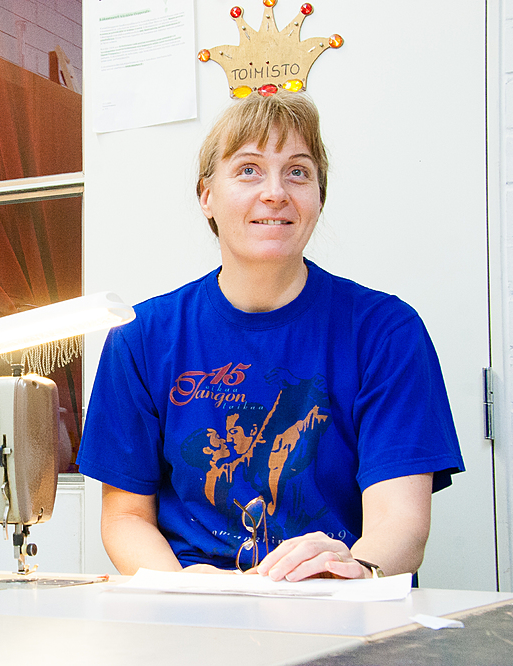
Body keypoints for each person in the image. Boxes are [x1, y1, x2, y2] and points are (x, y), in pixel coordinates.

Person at [76, 91, 464, 581]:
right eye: (248, 170)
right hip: (193, 603)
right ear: (206, 196)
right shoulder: (140, 338)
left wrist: (355, 570)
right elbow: (125, 517)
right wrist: (180, 587)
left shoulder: (387, 332)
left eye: (298, 172)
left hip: (334, 599)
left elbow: (400, 522)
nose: (276, 192)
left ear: (319, 198)